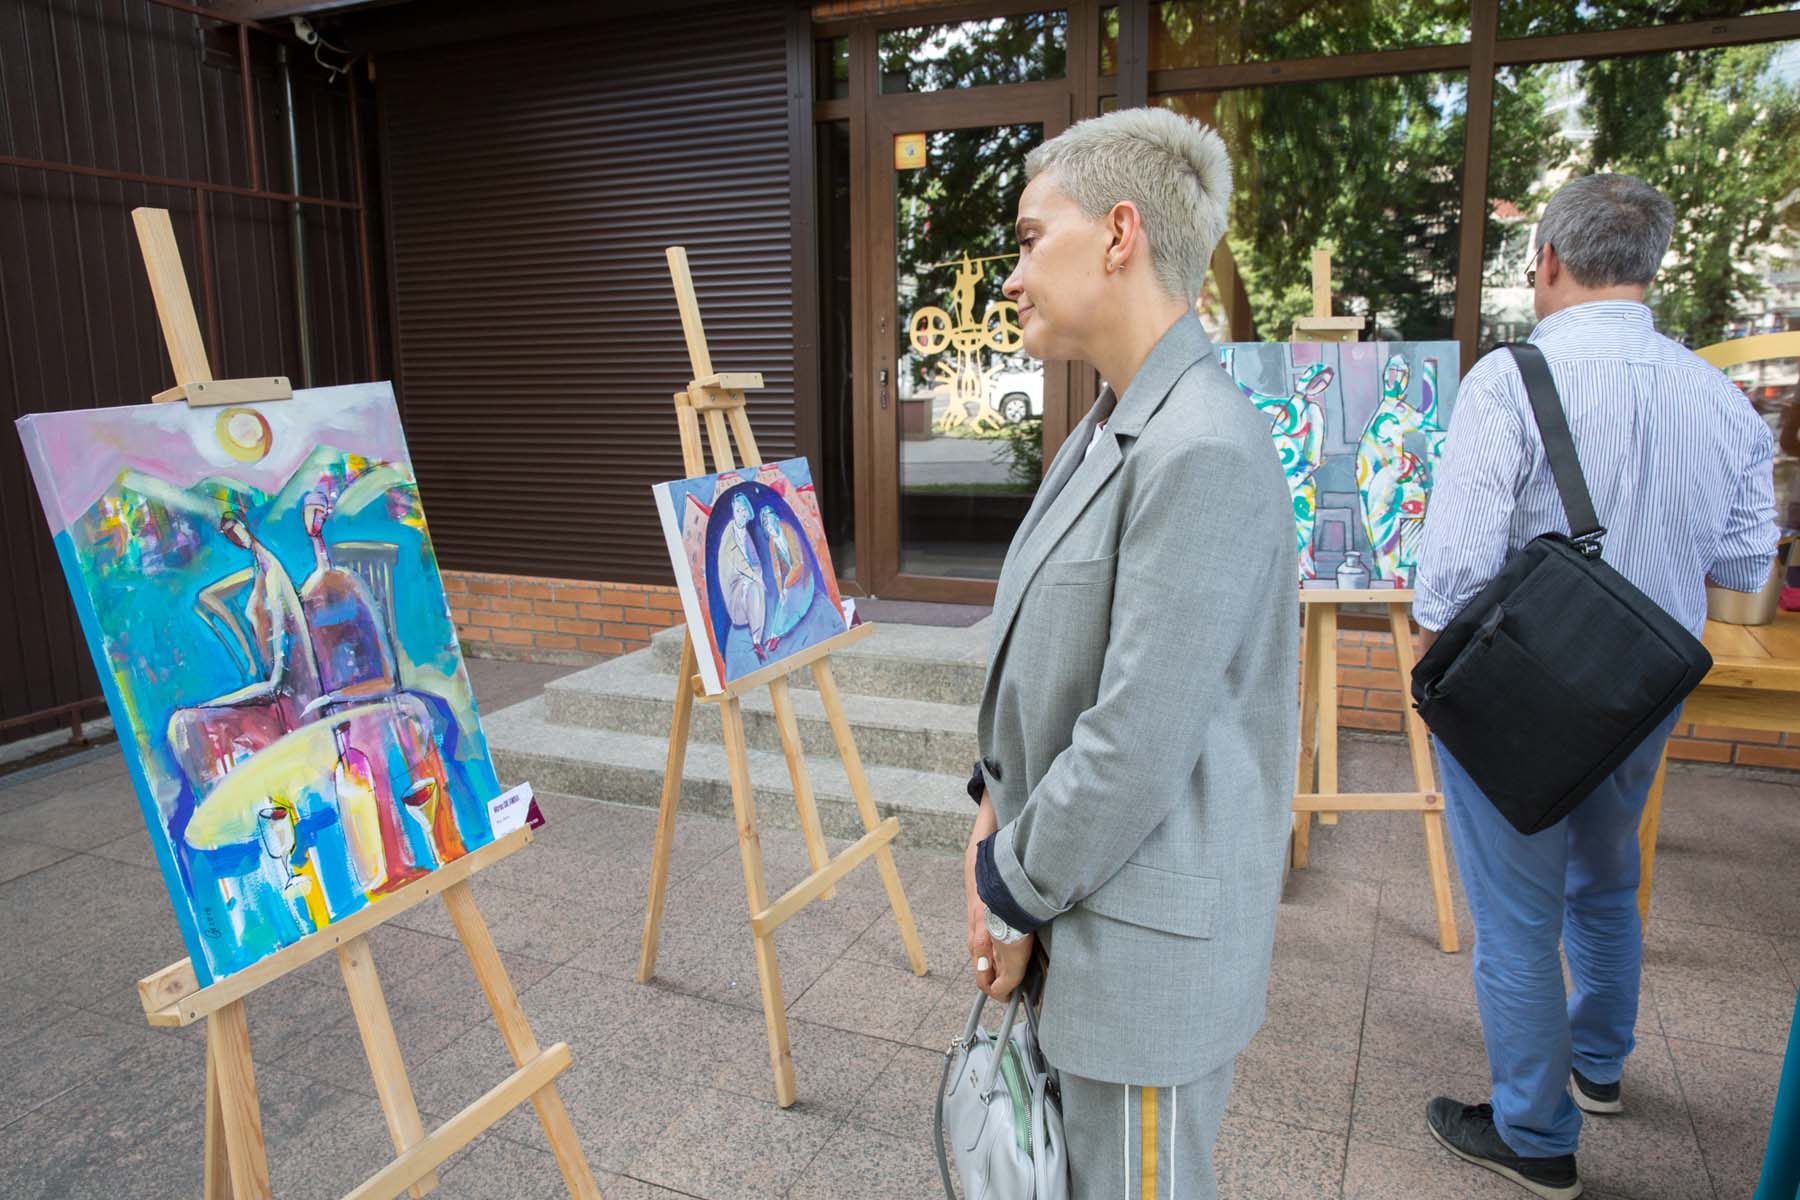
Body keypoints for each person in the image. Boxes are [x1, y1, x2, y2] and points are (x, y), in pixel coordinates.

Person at [1412, 173, 1777, 1200]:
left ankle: (1534, 1135)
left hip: (1525, 691)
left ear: (1549, 263)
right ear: (1650, 266)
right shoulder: (1720, 395)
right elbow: (1747, 568)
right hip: (1643, 685)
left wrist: (1432, 671)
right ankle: (1600, 1068)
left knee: (1519, 916)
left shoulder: (1510, 378)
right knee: (1607, 881)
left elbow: (1452, 569)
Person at [961, 106, 1297, 1200]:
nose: (1010, 276)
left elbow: (1132, 743)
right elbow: (1044, 674)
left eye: (1025, 237)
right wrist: (989, 817)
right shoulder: (1112, 424)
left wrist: (1004, 886)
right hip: (1086, 918)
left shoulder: (1201, 446)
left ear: (1117, 235)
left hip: (1139, 956)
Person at [716, 492, 768, 660]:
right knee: (755, 586)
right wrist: (754, 576)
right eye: (739, 510)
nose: (742, 514)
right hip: (734, 585)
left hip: (747, 580)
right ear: (734, 511)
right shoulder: (729, 532)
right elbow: (738, 560)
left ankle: (756, 640)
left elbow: (755, 560)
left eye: (745, 511)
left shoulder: (744, 532)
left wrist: (757, 574)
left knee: (757, 588)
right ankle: (756, 638)